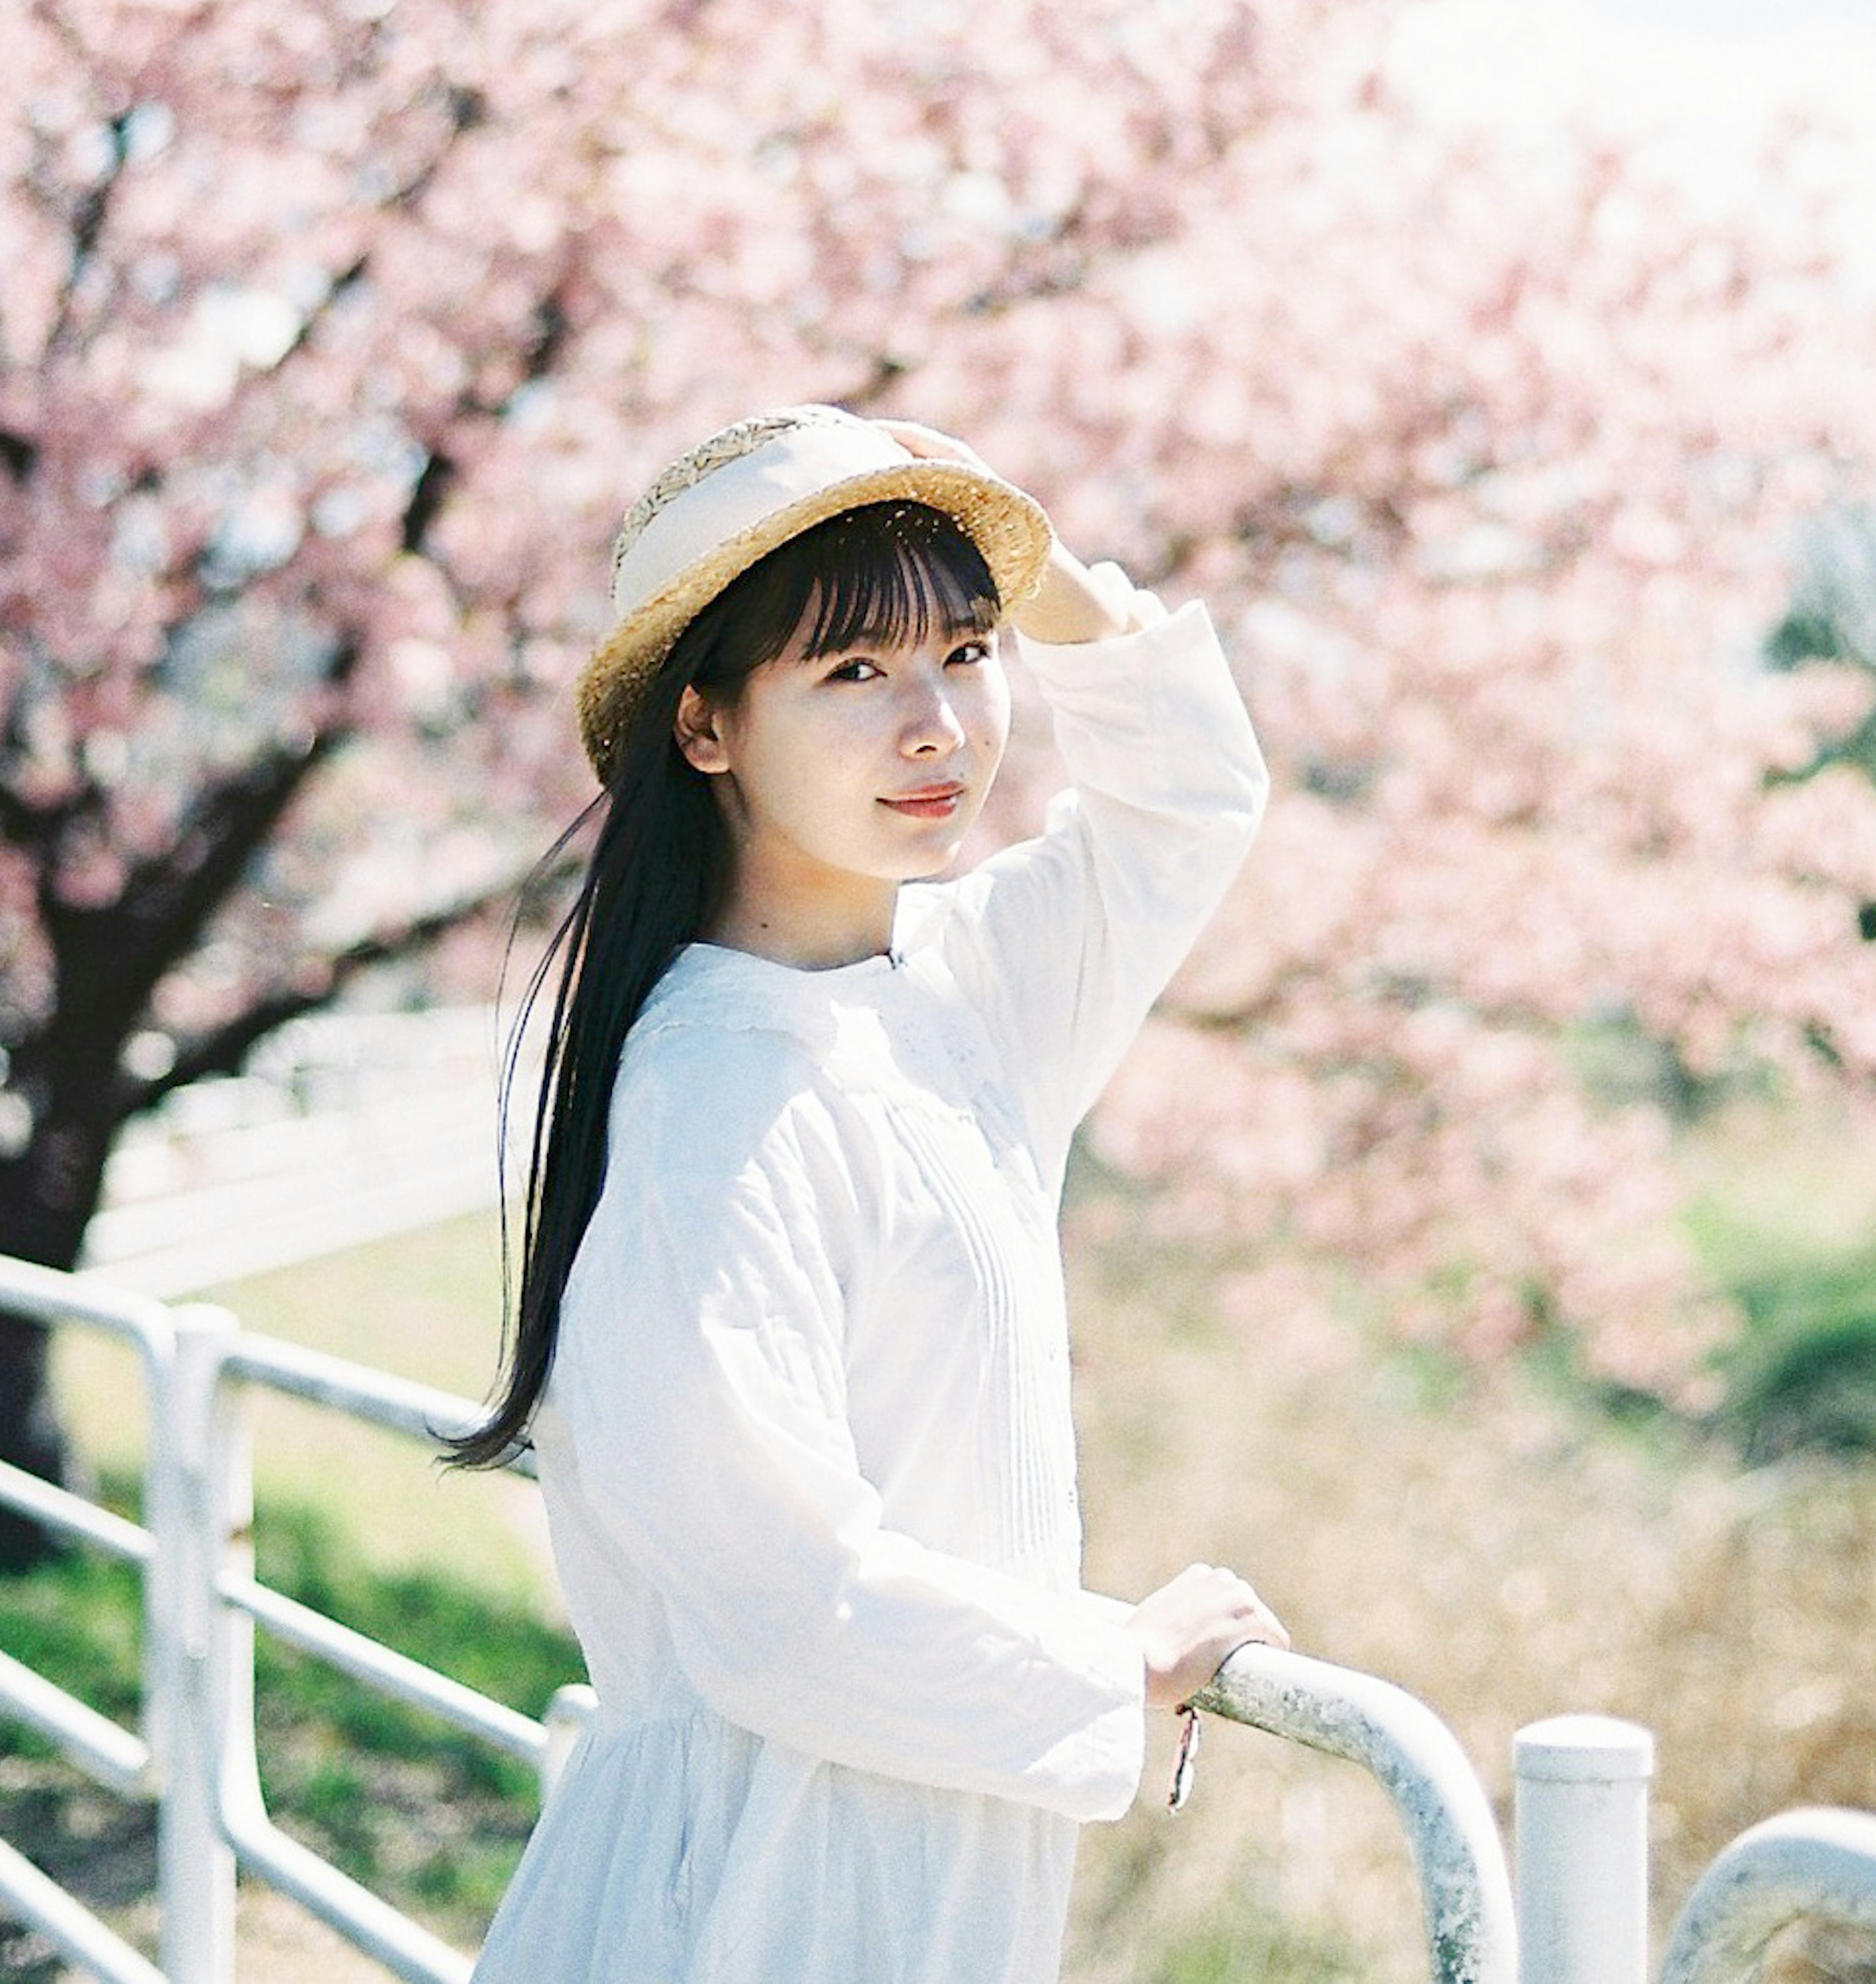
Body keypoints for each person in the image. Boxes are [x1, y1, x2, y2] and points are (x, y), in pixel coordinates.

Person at [459, 403, 1286, 1984]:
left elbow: (1187, 803)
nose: (940, 730)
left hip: (916, 1861)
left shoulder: (954, 988)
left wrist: (1028, 568)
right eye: (852, 674)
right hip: (756, 1896)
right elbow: (784, 1603)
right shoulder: (717, 1107)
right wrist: (1116, 1667)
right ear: (705, 730)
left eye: (965, 657)